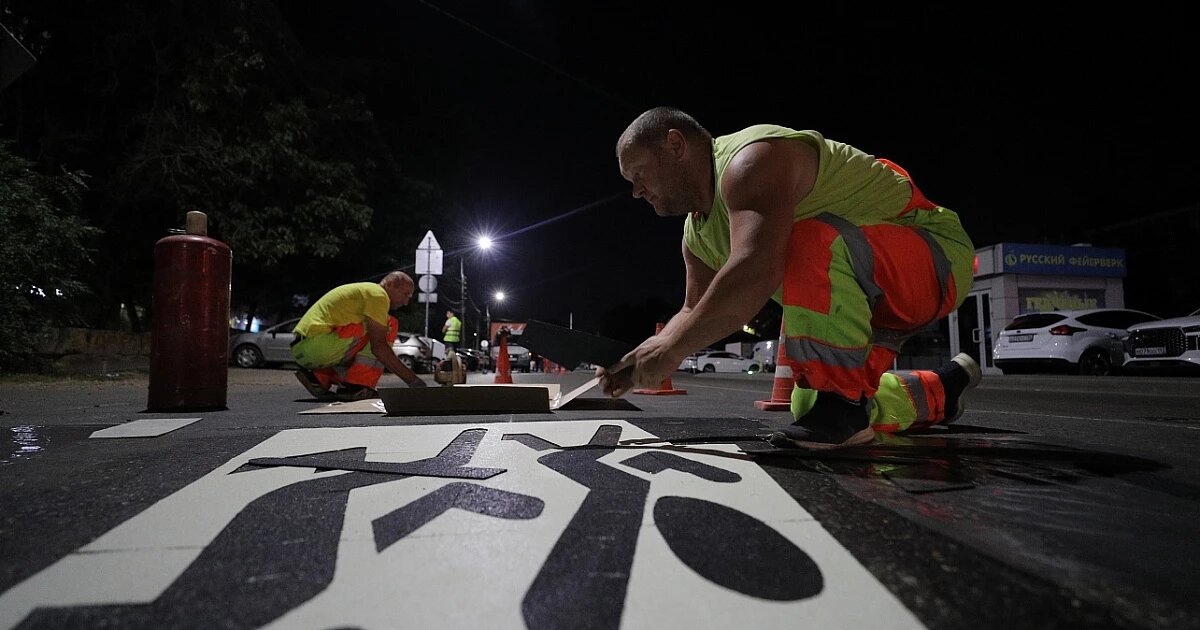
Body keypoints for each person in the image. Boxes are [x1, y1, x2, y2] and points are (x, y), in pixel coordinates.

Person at [600, 107, 983, 449]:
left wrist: (671, 351)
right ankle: (941, 391)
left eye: (638, 173)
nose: (635, 191)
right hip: (866, 292)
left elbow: (754, 270)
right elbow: (694, 309)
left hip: (933, 257)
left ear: (674, 144)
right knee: (810, 403)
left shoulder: (751, 161)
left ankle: (844, 405)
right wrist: (638, 360)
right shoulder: (695, 234)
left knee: (807, 241)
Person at [291, 271, 427, 401]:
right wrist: (413, 381)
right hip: (316, 346)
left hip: (304, 348)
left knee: (368, 331)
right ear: (390, 284)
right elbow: (379, 348)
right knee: (388, 325)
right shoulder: (378, 295)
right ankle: (356, 386)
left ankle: (318, 377)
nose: (405, 302)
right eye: (405, 294)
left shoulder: (365, 292)